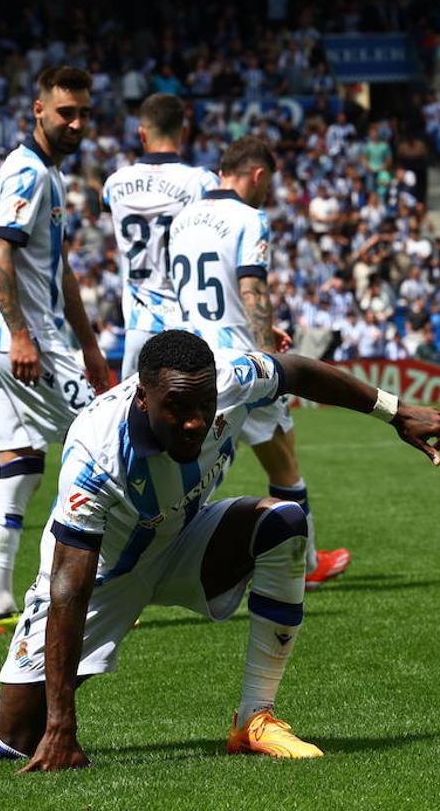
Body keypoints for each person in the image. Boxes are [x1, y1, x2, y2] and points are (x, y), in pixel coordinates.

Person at [0, 330, 440, 768]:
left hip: (182, 539)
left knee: (284, 524)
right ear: (142, 399)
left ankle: (254, 719)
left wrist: (395, 411)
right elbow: (70, 585)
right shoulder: (96, 451)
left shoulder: (228, 380)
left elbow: (296, 371)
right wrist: (63, 724)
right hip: (102, 577)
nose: (195, 423)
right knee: (8, 744)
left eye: (203, 407)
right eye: (177, 409)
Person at [168, 135, 349, 589]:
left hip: (192, 356)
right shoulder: (250, 218)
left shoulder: (183, 220)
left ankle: (138, 567)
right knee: (284, 458)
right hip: (240, 361)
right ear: (258, 175)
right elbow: (251, 287)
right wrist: (269, 354)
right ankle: (304, 567)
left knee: (185, 475)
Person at [0, 66, 112, 635]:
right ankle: (95, 591)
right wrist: (21, 335)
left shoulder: (50, 177)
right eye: (66, 113)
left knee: (21, 465)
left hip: (10, 343)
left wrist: (92, 348)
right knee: (106, 449)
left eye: (84, 114)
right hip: (24, 343)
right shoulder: (28, 173)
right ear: (38, 110)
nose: (77, 124)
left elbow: (60, 273)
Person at [101, 93, 218, 378]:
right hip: (189, 323)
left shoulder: (115, 184)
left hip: (140, 326)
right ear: (185, 131)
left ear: (142, 134)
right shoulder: (202, 183)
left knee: (133, 418)